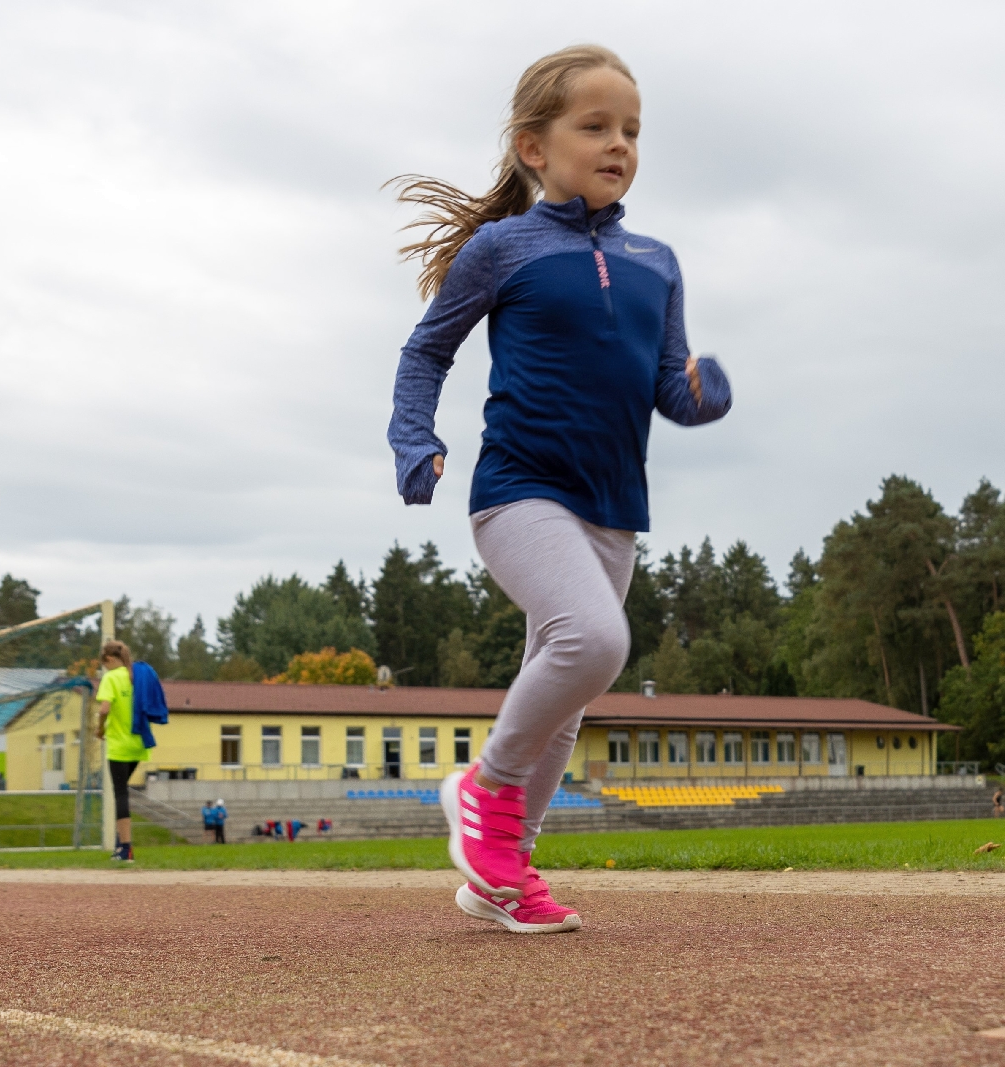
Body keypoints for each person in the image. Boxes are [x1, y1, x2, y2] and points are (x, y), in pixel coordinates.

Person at [389, 46, 732, 935]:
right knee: (594, 639)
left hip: (612, 504)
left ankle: (502, 872)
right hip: (519, 491)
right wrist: (414, 436)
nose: (619, 143)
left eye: (631, 130)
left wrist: (704, 390)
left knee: (571, 695)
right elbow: (428, 350)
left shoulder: (658, 260)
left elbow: (669, 385)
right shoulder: (503, 248)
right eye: (596, 126)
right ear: (533, 147)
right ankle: (485, 787)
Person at [93, 640, 146, 863]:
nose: (104, 668)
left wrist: (100, 726)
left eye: (104, 663)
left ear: (110, 659)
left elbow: (105, 707)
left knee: (120, 793)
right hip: (139, 742)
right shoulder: (136, 676)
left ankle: (126, 848)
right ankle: (120, 841)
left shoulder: (111, 677)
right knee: (123, 790)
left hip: (119, 744)